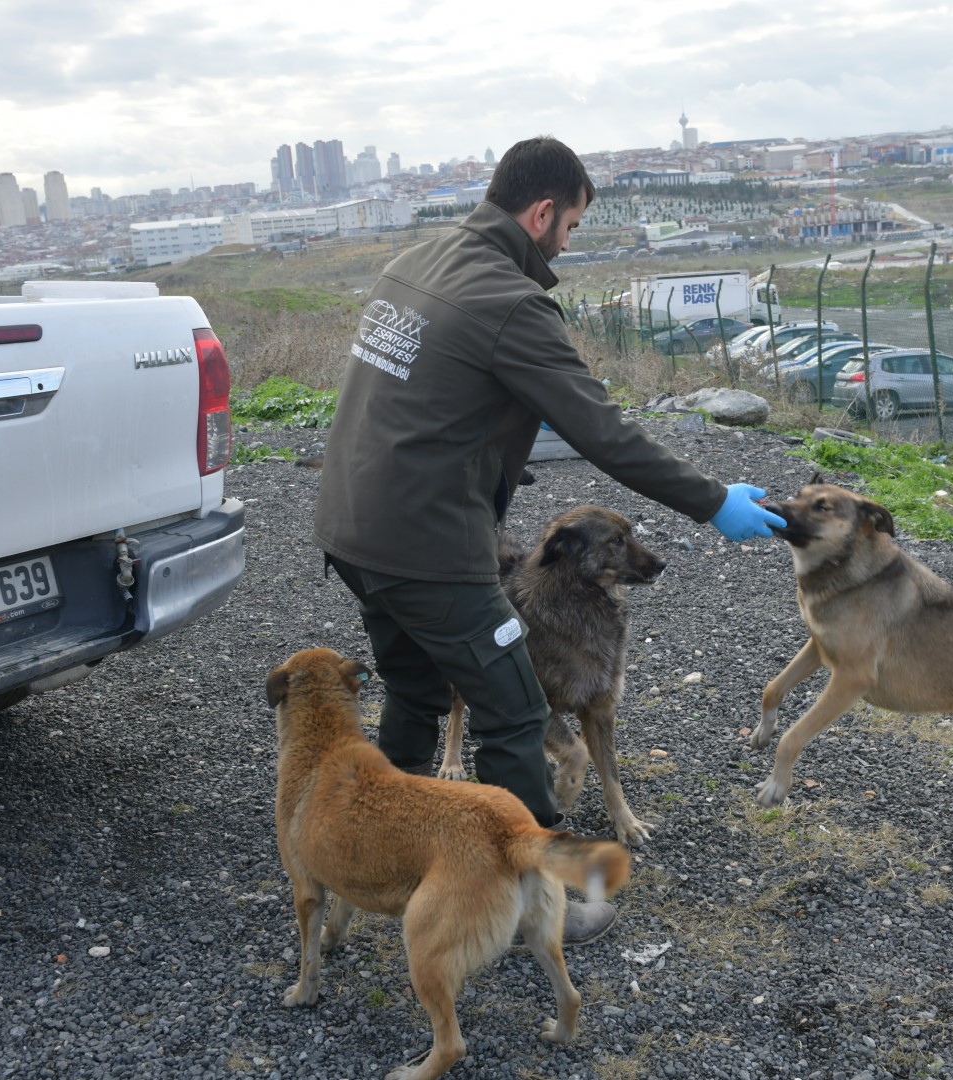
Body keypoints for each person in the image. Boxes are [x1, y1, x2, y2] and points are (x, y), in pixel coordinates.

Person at [312, 136, 784, 945]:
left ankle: (369, 862)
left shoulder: (418, 260)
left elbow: (422, 401)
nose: (567, 244)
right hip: (428, 546)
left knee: (419, 692)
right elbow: (603, 431)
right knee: (514, 708)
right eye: (569, 227)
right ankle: (541, 900)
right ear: (540, 213)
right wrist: (712, 502)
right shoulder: (510, 302)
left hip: (353, 530)